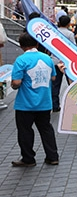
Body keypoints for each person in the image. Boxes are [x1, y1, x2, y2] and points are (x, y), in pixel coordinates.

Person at [10, 32, 58, 167]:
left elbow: (17, 82)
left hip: (25, 104)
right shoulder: (47, 58)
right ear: (37, 43)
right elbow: (53, 78)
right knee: (46, 129)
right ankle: (52, 156)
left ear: (21, 46)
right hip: (45, 102)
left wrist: (13, 85)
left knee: (25, 131)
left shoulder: (21, 60)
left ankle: (28, 158)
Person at [51, 15, 75, 112]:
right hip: (67, 62)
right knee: (71, 83)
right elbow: (73, 46)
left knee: (55, 84)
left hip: (55, 61)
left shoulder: (54, 32)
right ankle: (72, 104)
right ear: (69, 23)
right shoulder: (69, 34)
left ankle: (55, 105)